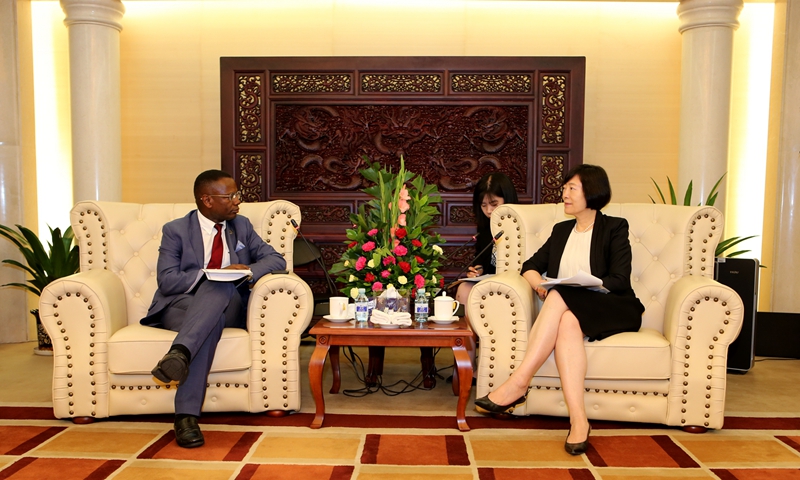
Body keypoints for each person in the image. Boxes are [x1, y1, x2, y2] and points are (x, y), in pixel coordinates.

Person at [473, 164, 644, 456]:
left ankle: (519, 382)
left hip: (614, 306)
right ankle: (579, 421)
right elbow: (530, 266)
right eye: (564, 188)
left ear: (592, 192)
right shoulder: (562, 230)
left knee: (561, 293)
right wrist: (540, 286)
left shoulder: (615, 227)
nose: (564, 194)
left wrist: (579, 286)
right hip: (572, 310)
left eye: (571, 189)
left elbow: (620, 279)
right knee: (566, 320)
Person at [141, 169, 286, 448]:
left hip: (230, 303)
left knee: (220, 286)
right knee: (211, 317)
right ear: (207, 200)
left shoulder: (241, 225)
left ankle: (180, 353)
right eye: (230, 196)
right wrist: (208, 274)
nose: (237, 201)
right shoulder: (176, 230)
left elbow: (276, 259)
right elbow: (167, 281)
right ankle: (185, 417)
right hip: (180, 306)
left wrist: (244, 271)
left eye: (237, 195)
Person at [450, 172, 518, 382]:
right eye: (483, 205)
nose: (489, 211)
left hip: (515, 283)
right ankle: (467, 366)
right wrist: (477, 271)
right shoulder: (486, 228)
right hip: (490, 282)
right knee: (463, 289)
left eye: (494, 204)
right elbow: (484, 262)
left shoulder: (523, 226)